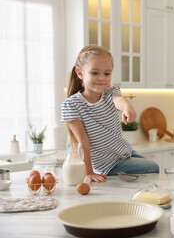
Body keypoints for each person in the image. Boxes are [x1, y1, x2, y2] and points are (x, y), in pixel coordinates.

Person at [61, 45, 159, 183]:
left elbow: (119, 100)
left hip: (125, 152)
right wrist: (89, 172)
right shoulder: (71, 104)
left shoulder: (110, 93)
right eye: (95, 73)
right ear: (80, 73)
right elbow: (82, 141)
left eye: (107, 73)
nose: (101, 78)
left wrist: (127, 107)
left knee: (153, 171)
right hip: (108, 165)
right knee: (154, 167)